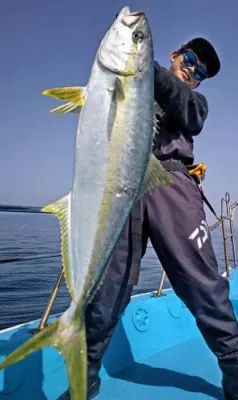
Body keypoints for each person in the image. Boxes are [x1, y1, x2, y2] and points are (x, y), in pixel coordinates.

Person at [61, 37, 238, 400]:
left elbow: (191, 114)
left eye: (200, 72)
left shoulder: (193, 101)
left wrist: (144, 68)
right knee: (109, 288)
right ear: (175, 55)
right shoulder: (132, 83)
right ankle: (86, 374)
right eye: (189, 59)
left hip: (172, 182)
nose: (192, 70)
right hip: (124, 181)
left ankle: (234, 366)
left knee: (203, 284)